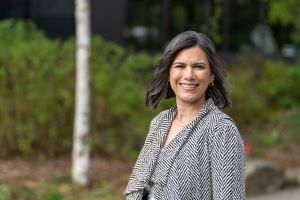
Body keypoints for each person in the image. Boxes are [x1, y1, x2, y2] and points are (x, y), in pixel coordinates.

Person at [124, 31, 245, 200]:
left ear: (211, 76)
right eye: (180, 66)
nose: (189, 75)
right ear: (168, 74)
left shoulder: (221, 130)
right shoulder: (159, 123)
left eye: (199, 67)